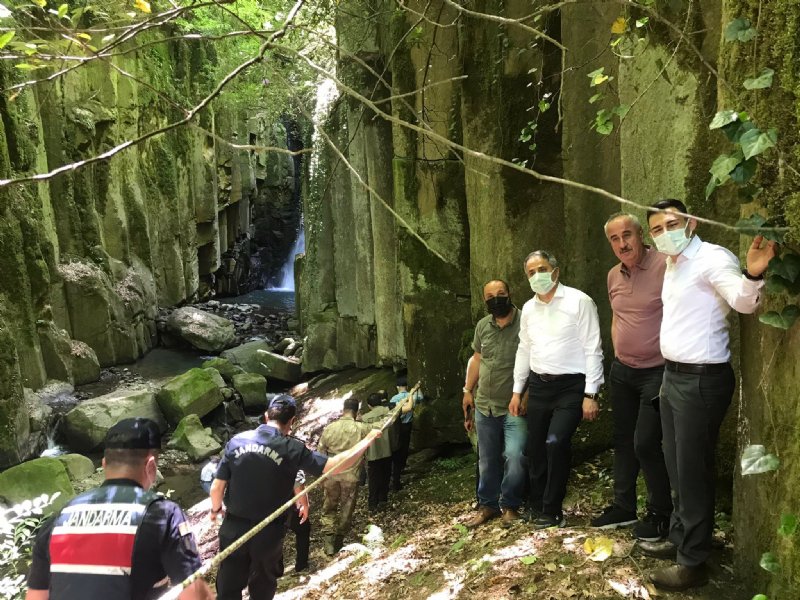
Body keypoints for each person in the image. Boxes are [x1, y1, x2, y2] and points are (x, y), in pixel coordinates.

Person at [639, 199, 775, 591]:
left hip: (701, 380)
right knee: (676, 464)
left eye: (671, 224)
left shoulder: (713, 258)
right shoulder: (672, 262)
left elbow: (744, 301)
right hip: (673, 377)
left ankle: (693, 562)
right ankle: (683, 538)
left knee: (692, 471)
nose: (664, 233)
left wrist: (751, 272)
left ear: (692, 222)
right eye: (657, 229)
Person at [210, 394, 379, 600]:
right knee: (262, 587)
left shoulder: (237, 441)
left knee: (228, 587)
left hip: (233, 528)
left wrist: (216, 510)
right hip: (268, 531)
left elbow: (217, 488)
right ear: (291, 422)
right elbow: (333, 465)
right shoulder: (291, 448)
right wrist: (366, 441)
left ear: (266, 416)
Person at [25, 417, 212, 600]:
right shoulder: (163, 514)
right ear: (151, 466)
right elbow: (194, 593)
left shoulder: (59, 518)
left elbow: (36, 596)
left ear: (104, 464)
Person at [590, 213, 673, 540]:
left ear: (641, 235)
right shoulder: (614, 275)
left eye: (627, 235)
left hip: (658, 371)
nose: (622, 243)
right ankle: (623, 507)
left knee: (646, 443)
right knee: (623, 441)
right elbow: (617, 316)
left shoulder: (665, 265)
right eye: (614, 238)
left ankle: (661, 513)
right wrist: (618, 350)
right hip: (623, 372)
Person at [510, 250, 604, 529]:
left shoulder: (579, 301)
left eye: (542, 268)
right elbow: (524, 349)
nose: (537, 275)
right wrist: (517, 391)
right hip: (539, 386)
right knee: (535, 447)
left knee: (556, 442)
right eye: (531, 272)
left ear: (556, 271)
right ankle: (537, 504)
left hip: (571, 386)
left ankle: (552, 510)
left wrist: (591, 394)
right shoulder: (527, 308)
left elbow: (593, 348)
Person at [462, 279, 527, 528]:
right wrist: (467, 390)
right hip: (484, 404)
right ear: (485, 301)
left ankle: (510, 505)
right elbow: (477, 359)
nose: (496, 299)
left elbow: (534, 361)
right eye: (490, 296)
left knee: (515, 455)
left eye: (501, 294)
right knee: (487, 458)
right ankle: (487, 505)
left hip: (513, 404)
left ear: (510, 294)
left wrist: (525, 396)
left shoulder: (525, 323)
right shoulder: (482, 326)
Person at [317, 397, 372, 555]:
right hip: (350, 475)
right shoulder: (360, 428)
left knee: (329, 505)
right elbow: (378, 428)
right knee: (347, 507)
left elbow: (321, 451)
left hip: (331, 474)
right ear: (356, 412)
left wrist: (322, 473)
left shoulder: (329, 428)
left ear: (343, 410)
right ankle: (339, 540)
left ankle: (328, 542)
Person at [388, 373, 422, 491]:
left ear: (397, 387)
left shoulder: (393, 399)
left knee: (397, 445)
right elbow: (420, 398)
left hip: (397, 426)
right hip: (408, 425)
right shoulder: (412, 396)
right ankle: (402, 465)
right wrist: (417, 390)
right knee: (405, 445)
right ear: (406, 386)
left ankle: (396, 468)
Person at [284, 471, 310, 573]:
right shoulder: (290, 456)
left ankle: (275, 569)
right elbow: (297, 481)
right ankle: (302, 565)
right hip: (288, 504)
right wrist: (304, 504)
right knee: (303, 529)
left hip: (268, 503)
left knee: (275, 536)